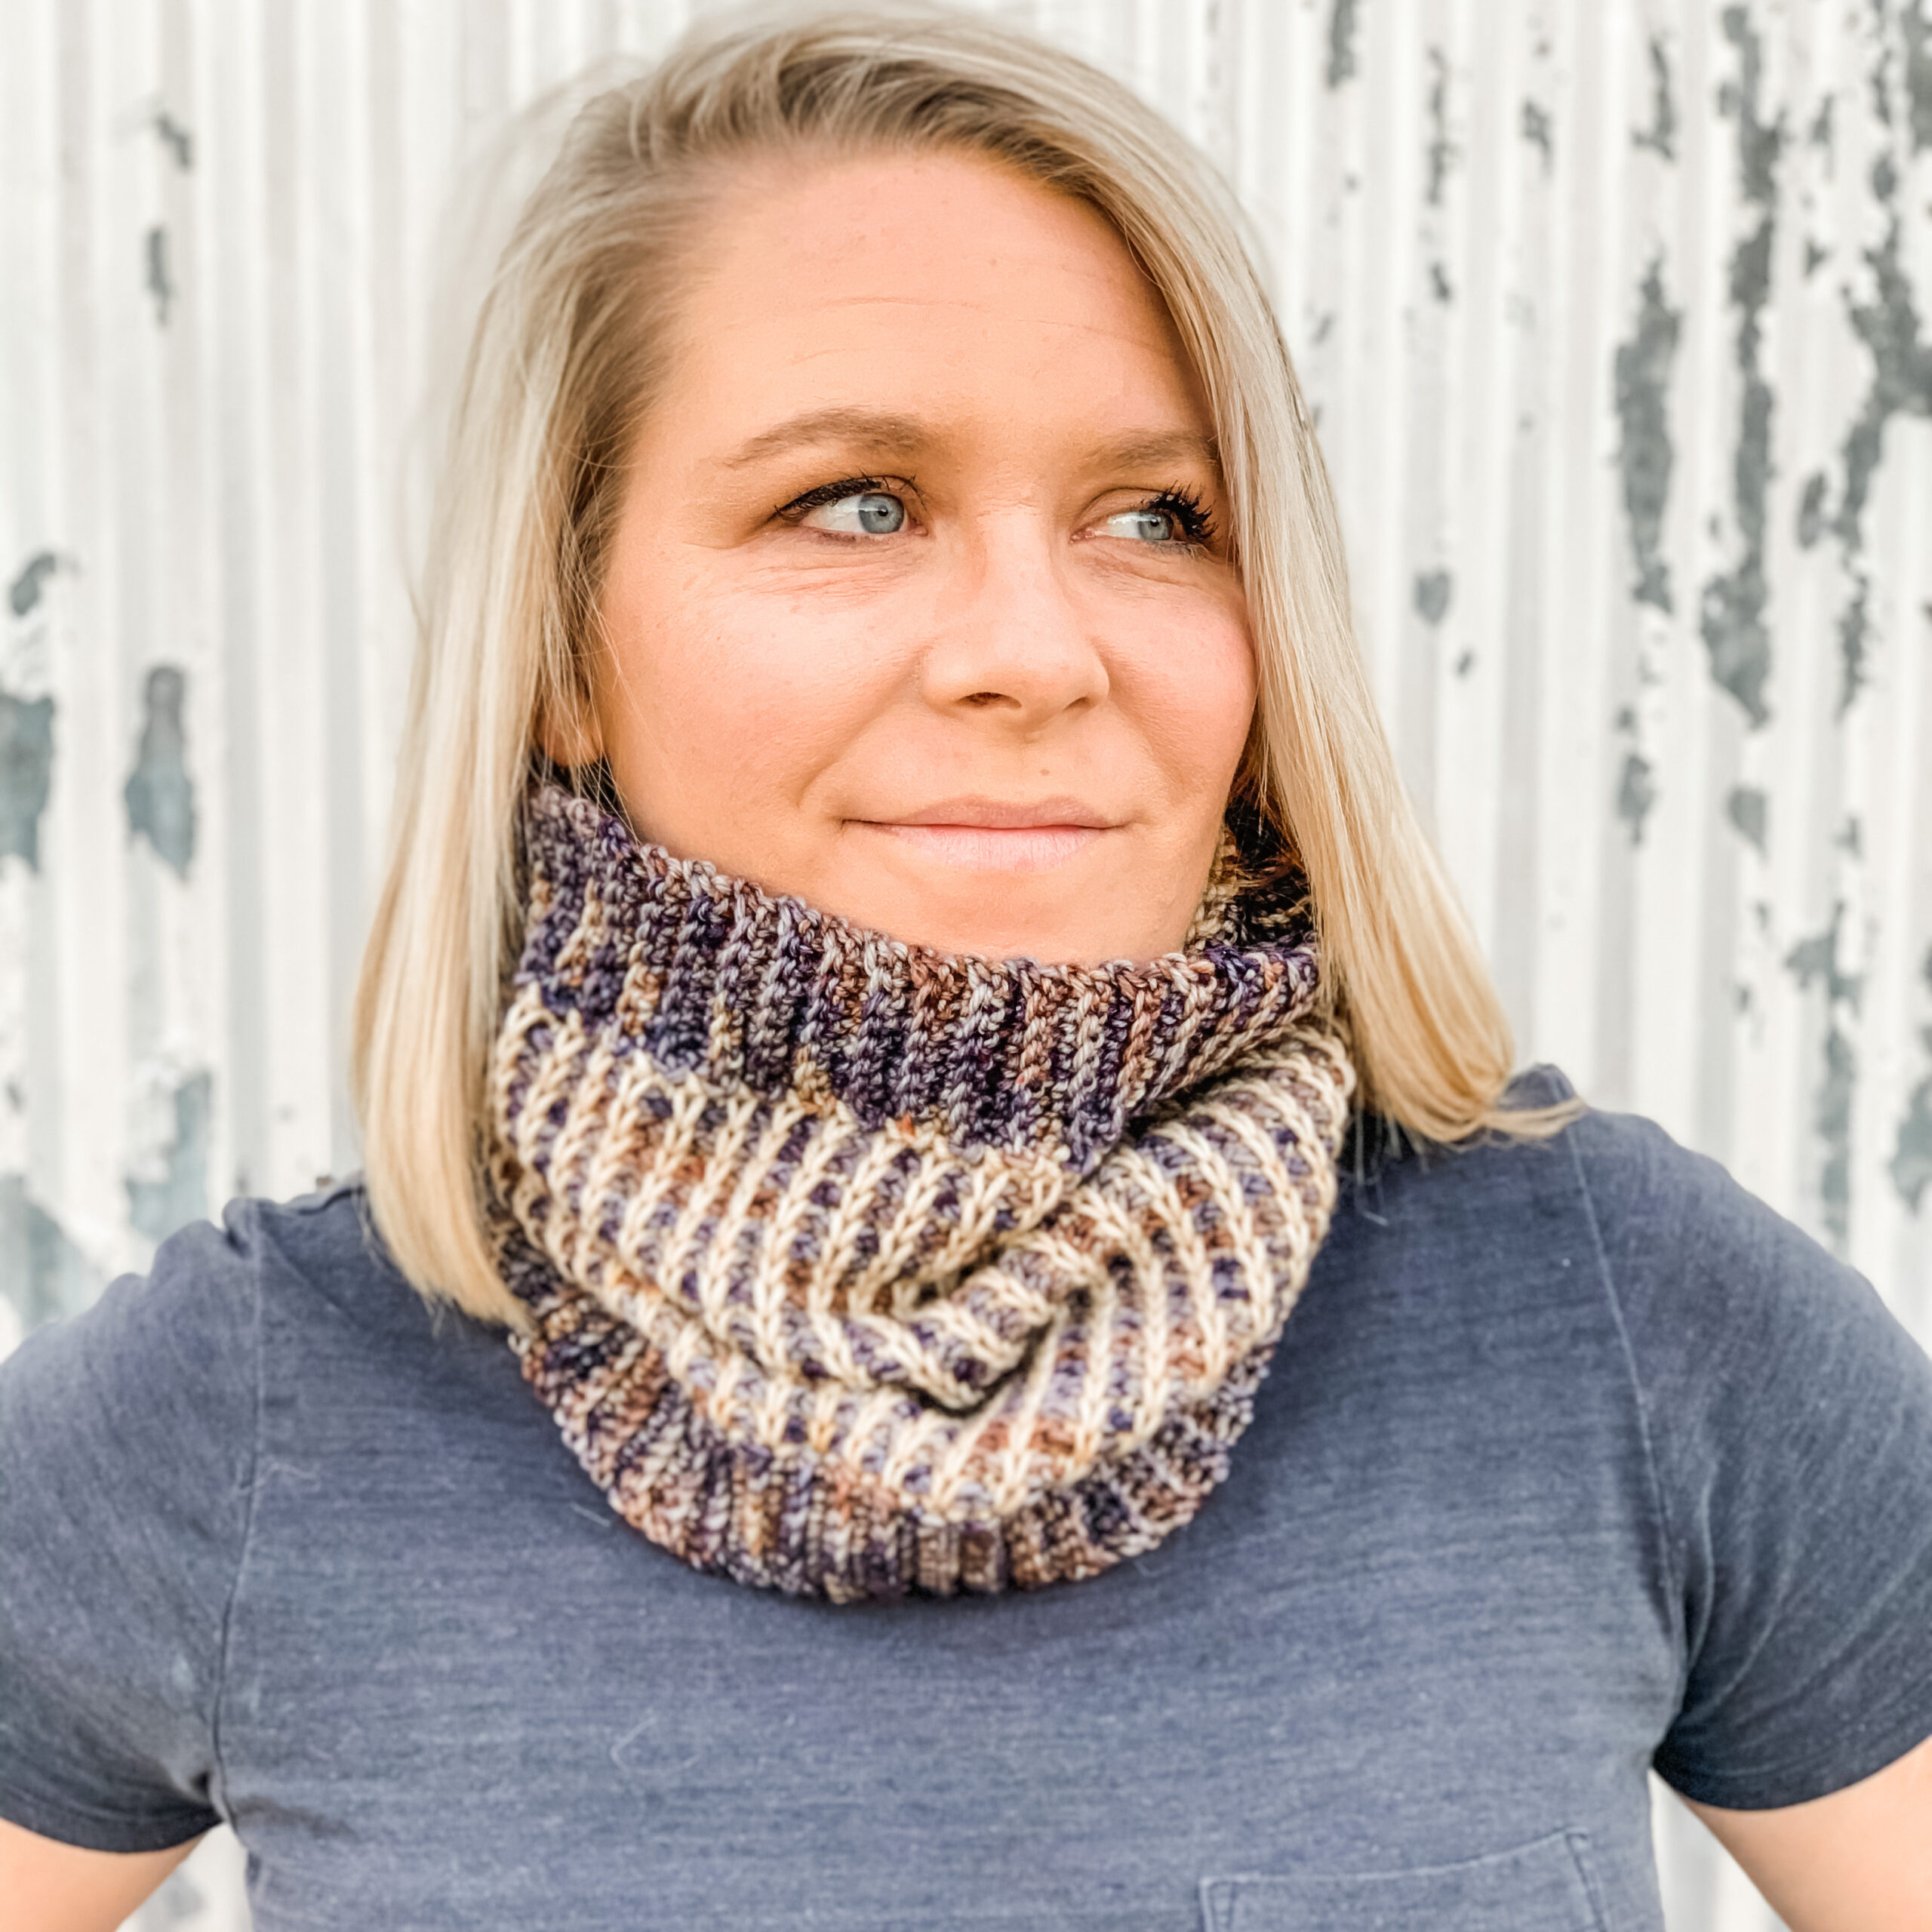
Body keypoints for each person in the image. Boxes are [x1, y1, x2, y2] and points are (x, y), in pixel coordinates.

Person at [3, 8, 1929, 1928]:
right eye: (852, 501)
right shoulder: (252, 1404)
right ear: (567, 651)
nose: (1036, 644)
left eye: (1155, 516)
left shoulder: (1609, 1313)